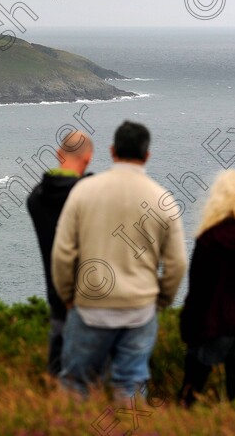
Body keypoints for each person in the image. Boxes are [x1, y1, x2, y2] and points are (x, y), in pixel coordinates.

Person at [52, 120, 187, 399]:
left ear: (112, 151)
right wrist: (159, 301)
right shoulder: (162, 199)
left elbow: (62, 253)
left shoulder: (83, 191)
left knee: (77, 383)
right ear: (147, 155)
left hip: (90, 307)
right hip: (139, 310)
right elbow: (177, 264)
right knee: (130, 385)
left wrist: (68, 297)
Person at [178, 170, 235, 407]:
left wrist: (187, 330)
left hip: (213, 326)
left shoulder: (209, 239)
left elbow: (197, 291)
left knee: (190, 393)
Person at [26, 130, 94, 377]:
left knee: (60, 384)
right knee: (98, 385)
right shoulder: (91, 195)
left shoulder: (36, 199)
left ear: (58, 154)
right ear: (87, 159)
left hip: (57, 301)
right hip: (95, 303)